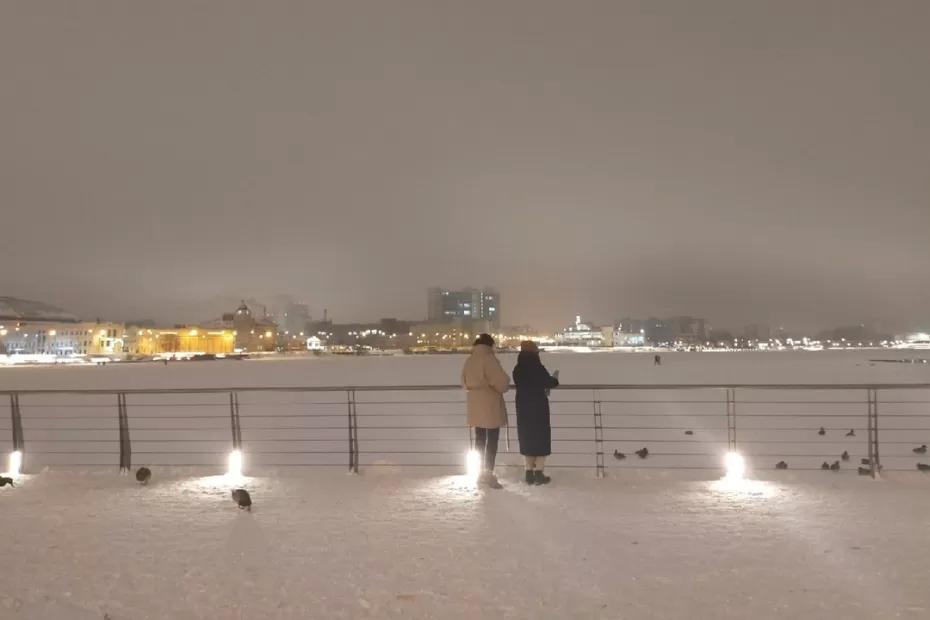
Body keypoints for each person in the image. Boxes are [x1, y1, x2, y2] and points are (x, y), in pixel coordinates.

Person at [461, 333, 510, 489]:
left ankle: (480, 472)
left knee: (480, 439)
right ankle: (488, 473)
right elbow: (501, 382)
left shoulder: (470, 360)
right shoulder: (489, 359)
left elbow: (464, 382)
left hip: (474, 404)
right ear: (490, 345)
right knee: (492, 439)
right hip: (490, 404)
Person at [513, 341, 559, 485]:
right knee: (540, 438)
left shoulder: (518, 369)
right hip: (538, 407)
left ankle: (528, 472)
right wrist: (555, 379)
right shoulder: (537, 367)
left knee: (526, 437)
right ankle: (539, 472)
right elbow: (549, 382)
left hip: (523, 407)